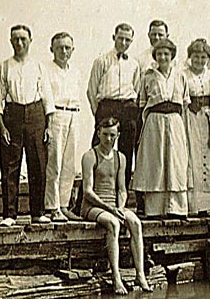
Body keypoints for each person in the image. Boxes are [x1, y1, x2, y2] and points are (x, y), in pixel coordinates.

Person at [0, 24, 54, 227]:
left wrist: (48, 126)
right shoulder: (3, 67)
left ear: (30, 41)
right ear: (10, 42)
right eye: (15, 39)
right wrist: (2, 128)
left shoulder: (39, 67)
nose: (19, 43)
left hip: (36, 115)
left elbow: (47, 99)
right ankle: (10, 214)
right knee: (10, 165)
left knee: (38, 164)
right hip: (12, 116)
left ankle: (38, 212)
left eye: (23, 39)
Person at [80, 117, 152, 295]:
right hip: (92, 207)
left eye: (112, 135)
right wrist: (111, 209)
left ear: (118, 135)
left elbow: (122, 189)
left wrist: (120, 207)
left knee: (135, 222)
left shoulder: (121, 158)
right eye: (105, 135)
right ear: (98, 133)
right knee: (113, 223)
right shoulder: (90, 156)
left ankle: (140, 274)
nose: (108, 139)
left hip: (113, 206)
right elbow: (87, 191)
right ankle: (116, 277)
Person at [131, 38, 189, 219]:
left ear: (172, 56)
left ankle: (176, 208)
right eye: (160, 54)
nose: (163, 57)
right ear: (155, 56)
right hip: (154, 121)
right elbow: (142, 102)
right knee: (155, 162)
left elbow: (185, 104)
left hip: (174, 121)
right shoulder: (148, 76)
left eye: (166, 54)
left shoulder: (180, 76)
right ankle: (155, 209)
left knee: (175, 161)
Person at [87, 23, 142, 190]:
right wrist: (100, 113)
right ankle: (94, 192)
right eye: (120, 38)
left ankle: (121, 196)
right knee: (99, 148)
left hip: (128, 107)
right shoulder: (101, 61)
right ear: (114, 38)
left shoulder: (134, 64)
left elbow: (137, 89)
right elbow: (91, 90)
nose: (124, 43)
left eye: (128, 40)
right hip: (107, 107)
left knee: (126, 151)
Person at [179, 38, 210, 215]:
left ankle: (209, 205)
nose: (199, 60)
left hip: (207, 118)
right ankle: (193, 204)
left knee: (208, 155)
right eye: (195, 57)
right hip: (190, 118)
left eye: (203, 57)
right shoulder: (182, 74)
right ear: (190, 57)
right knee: (192, 156)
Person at [43, 32, 82, 222]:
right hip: (56, 115)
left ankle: (64, 205)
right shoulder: (46, 70)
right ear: (52, 49)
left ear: (72, 50)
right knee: (55, 162)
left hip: (74, 114)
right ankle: (52, 207)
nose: (64, 51)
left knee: (69, 164)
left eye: (67, 48)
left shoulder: (75, 71)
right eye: (60, 48)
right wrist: (49, 123)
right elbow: (47, 98)